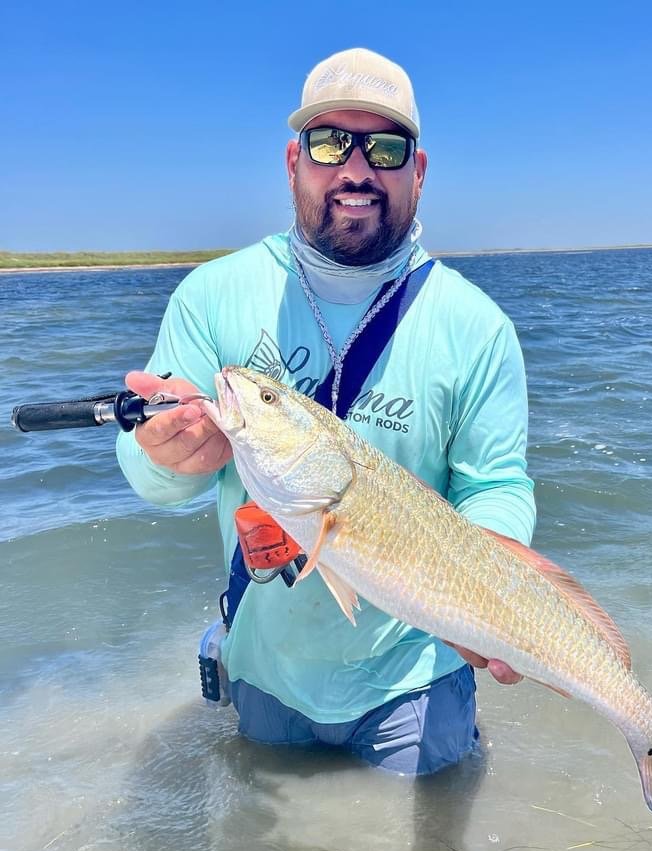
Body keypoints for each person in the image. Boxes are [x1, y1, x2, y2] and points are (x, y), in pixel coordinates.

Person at [117, 48, 536, 775]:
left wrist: (484, 592)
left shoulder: (478, 325)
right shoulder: (212, 296)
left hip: (417, 667)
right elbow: (154, 473)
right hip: (265, 666)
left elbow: (496, 483)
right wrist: (161, 455)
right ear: (292, 162)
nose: (355, 169)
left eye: (384, 147)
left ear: (419, 171)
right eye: (330, 142)